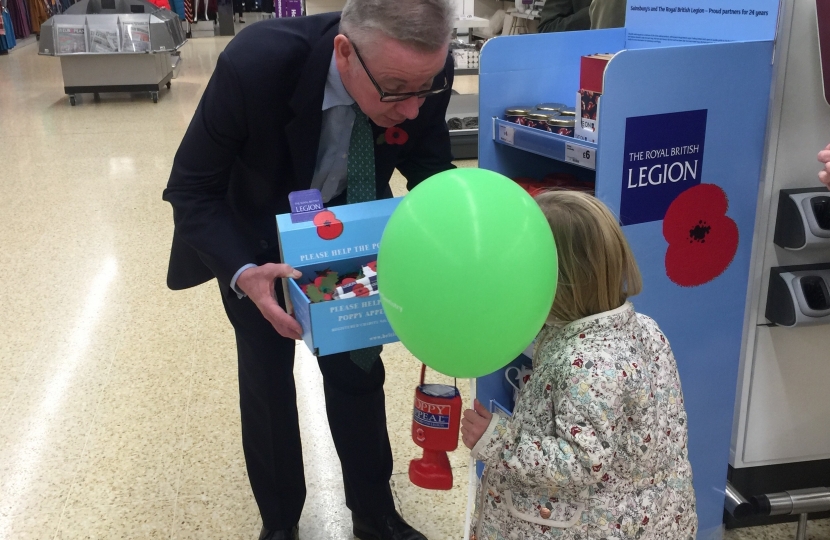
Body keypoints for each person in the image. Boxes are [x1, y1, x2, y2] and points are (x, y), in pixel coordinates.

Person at [161, 0, 457, 537]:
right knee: (268, 380)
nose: (413, 109)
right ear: (344, 53)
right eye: (396, 90)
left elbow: (428, 163)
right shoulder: (256, 65)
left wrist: (457, 236)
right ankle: (279, 523)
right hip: (256, 243)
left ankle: (373, 514)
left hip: (347, 232)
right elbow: (191, 188)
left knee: (357, 369)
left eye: (426, 89)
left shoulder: (420, 72)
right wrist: (243, 271)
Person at [461, 191, 697, 540]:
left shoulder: (587, 366)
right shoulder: (644, 329)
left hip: (592, 526)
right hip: (652, 515)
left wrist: (496, 440)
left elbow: (581, 460)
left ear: (555, 282)